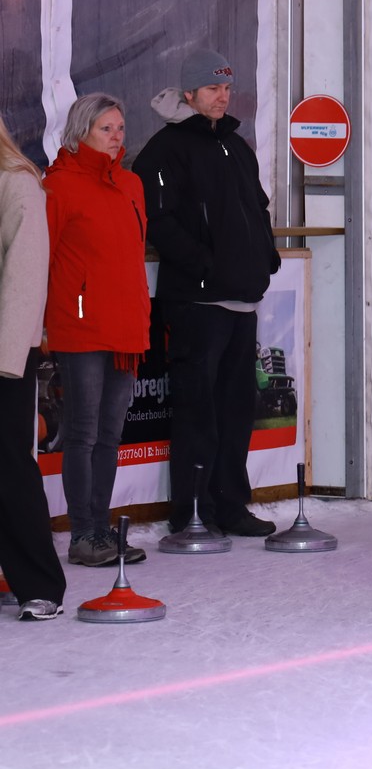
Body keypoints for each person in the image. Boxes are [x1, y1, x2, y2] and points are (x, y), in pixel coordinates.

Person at [132, 49, 281, 537]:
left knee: (236, 411)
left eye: (227, 87)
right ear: (189, 93)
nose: (223, 96)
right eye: (213, 88)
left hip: (242, 299)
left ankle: (231, 507)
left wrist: (265, 256)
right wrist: (206, 265)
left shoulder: (236, 145)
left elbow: (258, 208)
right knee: (198, 414)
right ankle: (192, 513)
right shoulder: (164, 149)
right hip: (197, 303)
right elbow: (157, 220)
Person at [44, 93, 150, 567]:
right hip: (81, 328)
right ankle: (83, 535)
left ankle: (102, 529)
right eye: (106, 128)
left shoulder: (131, 183)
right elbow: (41, 259)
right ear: (80, 131)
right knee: (83, 434)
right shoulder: (58, 185)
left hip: (126, 328)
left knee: (110, 434)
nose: (115, 137)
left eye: (120, 128)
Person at [0, 111, 68, 621]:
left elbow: (25, 278)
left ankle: (39, 585)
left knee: (9, 468)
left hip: (4, 355)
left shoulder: (17, 183)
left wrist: (7, 359)